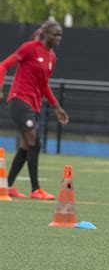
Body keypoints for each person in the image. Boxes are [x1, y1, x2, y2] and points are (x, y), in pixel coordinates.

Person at [0, 20, 69, 200]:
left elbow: (44, 85)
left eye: (60, 35)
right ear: (45, 34)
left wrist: (57, 108)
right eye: (56, 34)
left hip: (34, 104)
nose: (59, 38)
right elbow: (4, 65)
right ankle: (35, 189)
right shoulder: (29, 48)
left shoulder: (52, 57)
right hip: (19, 100)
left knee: (25, 146)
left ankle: (7, 187)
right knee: (35, 143)